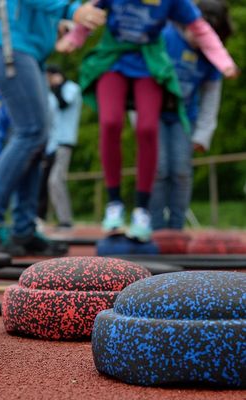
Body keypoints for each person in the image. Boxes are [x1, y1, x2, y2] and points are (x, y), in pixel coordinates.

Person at [57, 0, 238, 241]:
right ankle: (116, 205)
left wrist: (224, 62)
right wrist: (74, 38)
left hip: (155, 74)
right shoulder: (168, 35)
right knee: (113, 125)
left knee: (163, 148)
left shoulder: (176, 6)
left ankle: (151, 216)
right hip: (115, 58)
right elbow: (91, 12)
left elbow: (201, 29)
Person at [0, 0, 105, 256]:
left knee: (36, 138)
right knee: (31, 133)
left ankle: (23, 228)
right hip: (10, 49)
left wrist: (61, 25)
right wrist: (72, 11)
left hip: (26, 52)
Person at [150, 0, 233, 230]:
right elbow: (141, 80)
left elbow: (210, 97)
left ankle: (176, 230)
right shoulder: (165, 35)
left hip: (184, 118)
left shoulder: (211, 56)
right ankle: (155, 228)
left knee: (181, 172)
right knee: (159, 169)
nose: (199, 41)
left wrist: (203, 134)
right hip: (153, 114)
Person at [38, 65, 82, 229]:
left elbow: (64, 104)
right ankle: (41, 216)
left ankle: (66, 220)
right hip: (51, 143)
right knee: (43, 181)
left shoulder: (71, 88)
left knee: (55, 180)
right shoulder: (50, 94)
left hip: (65, 140)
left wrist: (57, 86)